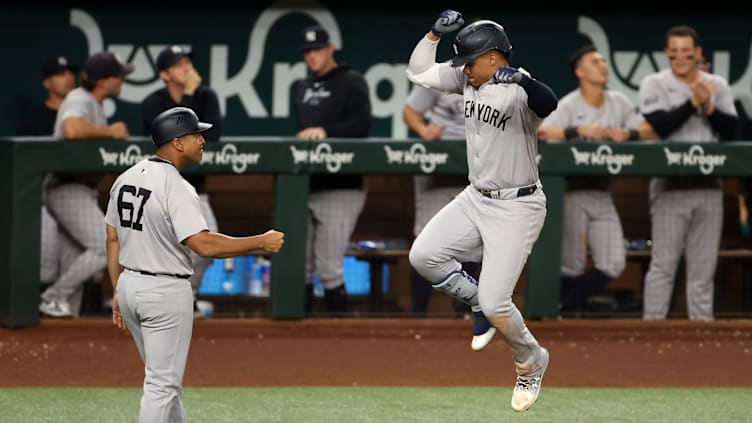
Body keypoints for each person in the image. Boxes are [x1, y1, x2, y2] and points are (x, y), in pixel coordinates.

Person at [405, 11, 557, 412]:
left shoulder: (519, 89)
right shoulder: (467, 78)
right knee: (424, 256)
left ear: (492, 58)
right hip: (476, 198)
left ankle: (530, 361)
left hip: (518, 205)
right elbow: (418, 73)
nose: (463, 70)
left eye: (469, 62)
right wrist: (434, 34)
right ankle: (474, 300)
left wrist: (524, 79)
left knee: (496, 305)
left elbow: (550, 102)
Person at [106, 106, 284, 422]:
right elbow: (202, 244)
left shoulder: (125, 178)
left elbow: (112, 238)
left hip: (131, 287)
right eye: (195, 134)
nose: (202, 140)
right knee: (162, 385)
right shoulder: (176, 186)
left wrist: (118, 288)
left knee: (166, 381)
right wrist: (260, 242)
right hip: (164, 292)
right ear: (177, 142)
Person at [537, 44, 653, 314]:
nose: (603, 65)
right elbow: (541, 132)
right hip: (571, 191)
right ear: (580, 72)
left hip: (603, 191)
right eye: (594, 61)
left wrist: (629, 135)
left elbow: (649, 131)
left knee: (613, 262)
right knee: (571, 263)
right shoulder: (569, 104)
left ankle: (565, 308)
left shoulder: (619, 102)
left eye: (603, 61)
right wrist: (577, 130)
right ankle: (565, 315)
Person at [638, 25, 739, 321]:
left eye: (686, 52)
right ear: (667, 54)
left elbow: (733, 130)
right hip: (670, 185)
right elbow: (659, 125)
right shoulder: (654, 83)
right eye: (675, 53)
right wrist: (692, 103)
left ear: (697, 53)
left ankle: (703, 335)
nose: (681, 58)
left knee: (703, 269)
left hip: (708, 185)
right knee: (664, 266)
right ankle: (649, 331)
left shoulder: (715, 84)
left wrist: (708, 105)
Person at [39, 51, 133, 318]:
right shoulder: (79, 98)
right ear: (104, 80)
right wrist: (110, 132)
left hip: (78, 190)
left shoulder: (95, 103)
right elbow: (71, 129)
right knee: (106, 246)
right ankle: (52, 296)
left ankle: (61, 324)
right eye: (118, 75)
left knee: (74, 275)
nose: (122, 80)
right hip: (66, 186)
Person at [402, 84, 495, 350]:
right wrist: (423, 130)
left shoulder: (494, 83)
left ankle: (464, 314)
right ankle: (418, 315)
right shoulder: (443, 77)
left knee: (472, 246)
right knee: (425, 242)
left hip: (474, 167)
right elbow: (410, 111)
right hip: (438, 162)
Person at [141, 45, 223, 317]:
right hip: (160, 188)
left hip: (196, 188)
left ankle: (187, 296)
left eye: (187, 61)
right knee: (158, 249)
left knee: (207, 245)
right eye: (179, 64)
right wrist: (187, 97)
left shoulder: (207, 96)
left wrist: (191, 96)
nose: (187, 68)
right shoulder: (154, 101)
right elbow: (163, 136)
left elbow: (215, 134)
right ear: (164, 74)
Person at [294, 25, 371, 313]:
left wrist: (325, 130)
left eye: (317, 49)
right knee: (299, 265)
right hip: (307, 184)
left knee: (329, 268)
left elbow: (362, 127)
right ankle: (298, 334)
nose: (311, 56)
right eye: (307, 51)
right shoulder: (302, 87)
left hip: (342, 185)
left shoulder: (352, 81)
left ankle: (337, 335)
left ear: (330, 48)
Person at [16, 56, 78, 288]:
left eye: (69, 73)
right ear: (47, 83)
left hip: (73, 193)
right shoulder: (34, 117)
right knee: (47, 266)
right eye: (60, 74)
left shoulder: (78, 116)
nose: (68, 77)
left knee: (73, 261)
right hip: (42, 196)